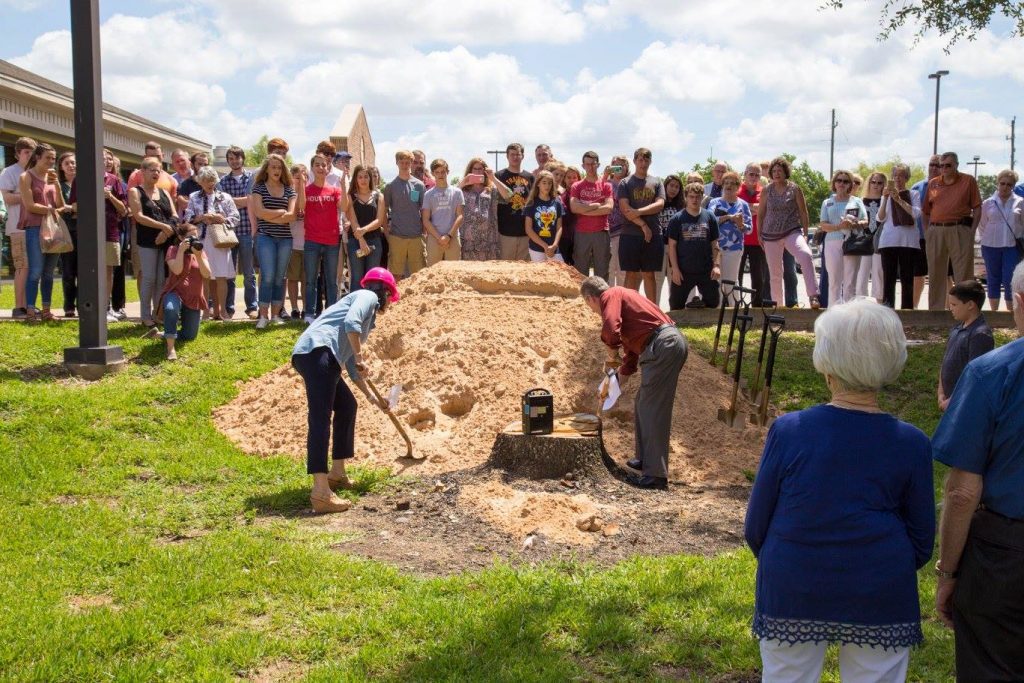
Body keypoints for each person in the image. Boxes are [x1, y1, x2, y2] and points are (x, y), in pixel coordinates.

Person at [745, 298, 935, 683]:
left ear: (827, 365)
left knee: (786, 677)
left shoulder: (790, 431)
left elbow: (756, 527)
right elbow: (922, 540)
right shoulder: (912, 442)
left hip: (794, 579)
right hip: (880, 582)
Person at [931, 262, 1024, 682]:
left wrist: (948, 572)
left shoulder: (991, 372)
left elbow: (962, 492)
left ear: (1018, 303)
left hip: (1005, 555)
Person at [291, 267, 398, 513]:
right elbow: (352, 325)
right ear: (384, 292)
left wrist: (373, 398)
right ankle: (320, 492)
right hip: (318, 352)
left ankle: (337, 473)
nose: (389, 304)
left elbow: (350, 365)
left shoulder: (366, 314)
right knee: (320, 419)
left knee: (348, 406)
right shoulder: (367, 296)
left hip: (322, 357)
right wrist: (361, 356)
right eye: (390, 298)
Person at [580, 276, 688, 490]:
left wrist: (611, 348)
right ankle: (644, 458)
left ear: (591, 298)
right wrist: (611, 388)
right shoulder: (628, 305)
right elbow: (630, 361)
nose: (593, 311)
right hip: (664, 344)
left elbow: (612, 328)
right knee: (643, 402)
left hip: (662, 345)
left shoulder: (611, 295)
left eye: (589, 306)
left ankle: (655, 475)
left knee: (652, 408)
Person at [70, 148, 129, 322]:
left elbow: (124, 210)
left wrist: (110, 196)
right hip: (88, 233)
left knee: (108, 270)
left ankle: (105, 308)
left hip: (110, 232)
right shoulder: (80, 179)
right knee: (87, 270)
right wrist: (92, 198)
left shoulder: (114, 180)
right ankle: (88, 308)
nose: (105, 161)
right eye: (101, 158)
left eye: (107, 158)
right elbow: (73, 206)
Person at [757, 156, 821, 308]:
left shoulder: (795, 188)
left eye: (780, 170)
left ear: (786, 172)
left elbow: (804, 212)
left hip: (791, 231)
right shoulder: (766, 190)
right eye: (774, 171)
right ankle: (778, 306)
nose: (777, 173)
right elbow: (760, 214)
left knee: (805, 255)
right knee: (775, 273)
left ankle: (813, 296)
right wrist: (759, 234)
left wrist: (805, 233)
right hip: (770, 234)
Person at [923, 152, 983, 310]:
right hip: (936, 230)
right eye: (941, 165)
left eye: (948, 165)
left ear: (956, 165)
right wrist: (927, 232)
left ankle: (964, 312)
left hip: (960, 229)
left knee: (963, 274)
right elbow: (925, 211)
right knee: (936, 274)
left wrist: (971, 232)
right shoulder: (933, 183)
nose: (943, 168)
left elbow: (977, 208)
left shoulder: (968, 181)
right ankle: (935, 313)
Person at [144, 224, 211, 360]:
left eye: (196, 237)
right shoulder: (173, 250)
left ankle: (159, 334)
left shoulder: (200, 252)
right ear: (181, 237)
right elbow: (177, 270)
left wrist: (198, 256)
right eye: (190, 237)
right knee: (170, 309)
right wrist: (181, 251)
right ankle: (170, 349)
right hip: (175, 292)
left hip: (193, 297)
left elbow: (207, 274)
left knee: (189, 336)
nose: (193, 240)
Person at [183, 165, 240, 321]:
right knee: (205, 276)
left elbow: (235, 218)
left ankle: (222, 311)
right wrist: (201, 218)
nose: (210, 183)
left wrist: (223, 219)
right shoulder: (194, 197)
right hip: (202, 240)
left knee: (221, 276)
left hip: (221, 240)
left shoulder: (225, 197)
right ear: (200, 182)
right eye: (207, 181)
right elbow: (187, 219)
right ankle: (206, 311)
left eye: (213, 180)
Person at [17, 143, 66, 321]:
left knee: (48, 273)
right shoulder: (26, 177)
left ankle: (46, 310)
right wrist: (51, 210)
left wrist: (58, 186)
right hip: (35, 228)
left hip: (53, 229)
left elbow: (60, 205)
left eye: (53, 158)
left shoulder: (52, 179)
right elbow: (30, 206)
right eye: (48, 158)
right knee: (36, 271)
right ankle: (31, 310)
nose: (51, 162)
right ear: (37, 157)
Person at [250, 154, 299, 328]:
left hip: (285, 239)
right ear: (267, 169)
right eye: (273, 167)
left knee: (280, 277)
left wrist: (270, 215)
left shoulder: (289, 190)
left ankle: (275, 315)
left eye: (279, 167)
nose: (276, 170)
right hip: (265, 237)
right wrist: (280, 212)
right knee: (268, 276)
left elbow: (292, 216)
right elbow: (258, 212)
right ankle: (263, 316)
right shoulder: (259, 188)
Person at [129, 157, 177, 327]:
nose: (156, 173)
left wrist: (166, 231)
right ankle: (145, 316)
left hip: (165, 241)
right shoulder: (135, 191)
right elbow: (139, 216)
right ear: (143, 172)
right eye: (152, 170)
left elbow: (174, 216)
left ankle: (158, 314)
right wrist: (163, 226)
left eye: (159, 170)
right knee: (148, 277)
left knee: (161, 279)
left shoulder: (164, 193)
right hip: (147, 241)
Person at [937, 280, 994, 412]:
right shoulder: (957, 328)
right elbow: (946, 360)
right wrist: (941, 391)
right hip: (949, 400)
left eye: (954, 304)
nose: (950, 308)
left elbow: (975, 375)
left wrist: (954, 400)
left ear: (970, 305)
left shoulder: (980, 335)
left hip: (966, 405)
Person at [617, 148, 665, 303]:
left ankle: (653, 311)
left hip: (653, 235)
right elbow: (625, 209)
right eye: (640, 160)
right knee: (631, 274)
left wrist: (638, 211)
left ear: (650, 161)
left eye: (646, 160)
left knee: (649, 274)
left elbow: (659, 204)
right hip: (630, 234)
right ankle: (629, 311)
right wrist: (643, 225)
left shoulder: (657, 182)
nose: (643, 163)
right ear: (634, 161)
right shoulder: (625, 183)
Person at [217, 145, 257, 319]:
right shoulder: (223, 181)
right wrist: (243, 201)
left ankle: (252, 307)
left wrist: (231, 201)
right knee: (229, 273)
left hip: (249, 230)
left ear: (243, 159)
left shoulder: (253, 178)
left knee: (249, 273)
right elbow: (220, 204)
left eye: (237, 158)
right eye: (231, 159)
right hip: (228, 232)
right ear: (228, 161)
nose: (234, 161)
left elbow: (254, 201)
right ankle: (229, 308)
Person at [667, 182, 721, 311]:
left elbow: (715, 244)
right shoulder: (677, 219)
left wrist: (717, 266)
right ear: (686, 197)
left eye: (697, 196)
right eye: (691, 196)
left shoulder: (710, 217)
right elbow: (672, 246)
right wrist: (675, 269)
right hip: (683, 271)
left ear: (702, 197)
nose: (694, 200)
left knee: (714, 302)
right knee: (675, 305)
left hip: (705, 270)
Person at [818, 170, 868, 306]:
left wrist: (855, 223)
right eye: (839, 180)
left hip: (852, 242)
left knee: (850, 282)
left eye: (845, 181)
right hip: (832, 243)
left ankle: (849, 316)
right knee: (834, 281)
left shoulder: (856, 201)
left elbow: (865, 221)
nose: (841, 183)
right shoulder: (827, 202)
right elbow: (823, 224)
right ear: (834, 183)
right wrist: (839, 226)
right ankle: (833, 315)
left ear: (850, 184)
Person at [976, 169, 1023, 310]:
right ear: (998, 184)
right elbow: (982, 224)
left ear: (1013, 186)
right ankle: (994, 312)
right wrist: (987, 239)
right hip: (990, 245)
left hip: (1012, 246)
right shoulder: (988, 203)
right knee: (993, 278)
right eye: (1002, 183)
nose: (1005, 187)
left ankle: (1010, 313)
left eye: (1009, 184)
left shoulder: (1020, 202)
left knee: (1010, 278)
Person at [876, 163, 922, 309]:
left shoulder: (913, 194)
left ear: (907, 178)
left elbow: (916, 213)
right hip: (889, 241)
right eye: (895, 175)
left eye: (901, 175)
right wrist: (885, 199)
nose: (898, 179)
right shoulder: (886, 195)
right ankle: (888, 311)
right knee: (888, 280)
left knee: (907, 279)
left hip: (908, 243)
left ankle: (907, 312)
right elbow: (880, 218)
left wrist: (899, 200)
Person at [1, 136, 36, 319]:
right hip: (17, 228)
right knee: (23, 267)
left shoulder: (36, 173)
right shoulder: (9, 172)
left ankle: (30, 305)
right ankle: (19, 307)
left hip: (36, 227)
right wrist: (28, 198)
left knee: (35, 268)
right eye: (26, 152)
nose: (29, 156)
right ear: (17, 154)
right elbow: (7, 198)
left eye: (32, 152)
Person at [382, 150, 426, 279]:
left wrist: (423, 231)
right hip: (396, 236)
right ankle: (398, 299)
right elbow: (383, 211)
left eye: (408, 162)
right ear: (397, 163)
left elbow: (423, 210)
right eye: (402, 162)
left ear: (412, 164)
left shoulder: (419, 186)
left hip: (416, 236)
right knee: (396, 274)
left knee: (418, 274)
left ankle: (417, 299)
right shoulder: (390, 186)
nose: (405, 165)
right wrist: (386, 232)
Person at [570, 151, 614, 279]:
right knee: (580, 271)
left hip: (601, 232)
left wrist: (583, 209)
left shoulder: (606, 185)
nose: (590, 167)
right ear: (583, 166)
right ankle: (580, 299)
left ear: (598, 165)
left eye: (593, 164)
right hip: (582, 232)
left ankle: (602, 299)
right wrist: (595, 206)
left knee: (602, 271)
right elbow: (574, 208)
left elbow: (608, 208)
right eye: (587, 164)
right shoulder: (576, 186)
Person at [345, 164, 386, 300]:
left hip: (374, 241)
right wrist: (361, 239)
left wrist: (364, 230)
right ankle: (354, 308)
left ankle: (371, 307)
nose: (363, 180)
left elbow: (379, 220)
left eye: (366, 176)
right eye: (360, 177)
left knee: (372, 276)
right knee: (357, 276)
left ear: (371, 178)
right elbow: (353, 220)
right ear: (356, 179)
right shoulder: (351, 196)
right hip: (355, 242)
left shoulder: (379, 196)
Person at [707, 171, 752, 290]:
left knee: (731, 282)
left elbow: (749, 230)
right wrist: (728, 217)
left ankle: (733, 308)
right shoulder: (714, 202)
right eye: (726, 182)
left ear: (738, 186)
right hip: (715, 247)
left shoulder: (743, 205)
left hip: (734, 248)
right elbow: (709, 222)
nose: (729, 185)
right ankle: (717, 308)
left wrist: (741, 225)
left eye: (732, 183)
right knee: (715, 282)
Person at [493, 143, 534, 261]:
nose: (515, 157)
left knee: (524, 269)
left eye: (518, 154)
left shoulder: (530, 177)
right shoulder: (499, 176)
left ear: (523, 156)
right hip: (505, 231)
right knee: (505, 268)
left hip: (525, 231)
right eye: (512, 154)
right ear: (507, 156)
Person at [422, 158, 464, 266]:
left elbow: (460, 216)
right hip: (434, 238)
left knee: (453, 272)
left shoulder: (457, 192)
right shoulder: (428, 194)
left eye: (443, 172)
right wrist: (439, 238)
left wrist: (448, 236)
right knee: (433, 272)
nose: (440, 175)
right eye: (437, 172)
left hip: (453, 237)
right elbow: (425, 219)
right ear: (433, 173)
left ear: (447, 172)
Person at [738, 163, 770, 306]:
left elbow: (766, 211)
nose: (754, 177)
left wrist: (746, 208)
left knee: (758, 278)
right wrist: (754, 208)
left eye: (757, 175)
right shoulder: (736, 191)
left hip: (758, 240)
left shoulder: (765, 192)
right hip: (739, 241)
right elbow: (737, 212)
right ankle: (734, 305)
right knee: (736, 276)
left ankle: (757, 307)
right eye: (751, 174)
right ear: (745, 174)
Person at [910, 157, 941, 307]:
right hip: (920, 237)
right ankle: (914, 307)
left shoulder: (946, 186)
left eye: (938, 165)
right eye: (931, 165)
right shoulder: (917, 187)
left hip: (940, 236)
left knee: (943, 274)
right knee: (918, 274)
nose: (934, 168)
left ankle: (944, 308)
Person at [458, 158, 500, 261]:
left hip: (488, 241)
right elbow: (450, 198)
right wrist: (463, 183)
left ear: (484, 171)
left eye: (480, 169)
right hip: (468, 242)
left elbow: (509, 195)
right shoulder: (462, 189)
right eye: (475, 169)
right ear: (470, 171)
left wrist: (493, 178)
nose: (477, 172)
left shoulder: (491, 189)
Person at [523, 170, 563, 263]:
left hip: (553, 248)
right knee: (539, 275)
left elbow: (559, 227)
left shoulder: (557, 202)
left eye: (549, 183)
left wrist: (555, 245)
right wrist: (545, 246)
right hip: (536, 248)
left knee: (560, 272)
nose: (547, 186)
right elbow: (528, 229)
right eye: (544, 182)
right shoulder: (531, 203)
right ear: (538, 184)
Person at [56, 152, 78, 318]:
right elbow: (61, 207)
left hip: (85, 232)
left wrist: (71, 208)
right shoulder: (59, 186)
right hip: (66, 232)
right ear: (61, 167)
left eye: (73, 162)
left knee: (84, 271)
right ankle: (69, 306)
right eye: (67, 163)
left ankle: (84, 303)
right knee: (68, 271)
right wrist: (72, 208)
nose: (71, 166)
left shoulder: (85, 184)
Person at [656, 175, 684, 304]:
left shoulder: (682, 205)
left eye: (677, 187)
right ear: (665, 185)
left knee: (674, 279)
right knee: (658, 279)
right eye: (671, 185)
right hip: (659, 245)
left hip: (675, 247)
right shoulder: (658, 202)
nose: (673, 189)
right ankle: (655, 309)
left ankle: (674, 309)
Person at [859, 171, 886, 300]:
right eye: (873, 182)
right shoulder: (860, 201)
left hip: (880, 240)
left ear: (884, 185)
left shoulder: (886, 200)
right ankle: (860, 304)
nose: (875, 185)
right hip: (863, 240)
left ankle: (879, 304)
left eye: (879, 183)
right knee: (861, 274)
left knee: (878, 274)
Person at [606, 156, 630, 286]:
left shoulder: (630, 184)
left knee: (622, 270)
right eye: (616, 165)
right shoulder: (605, 183)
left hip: (625, 231)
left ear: (627, 168)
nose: (619, 168)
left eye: (622, 165)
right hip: (607, 232)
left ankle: (621, 299)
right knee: (609, 268)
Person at [559, 165, 582, 266]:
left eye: (574, 177)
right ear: (564, 179)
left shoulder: (583, 194)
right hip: (563, 236)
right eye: (568, 177)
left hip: (579, 236)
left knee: (576, 267)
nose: (572, 180)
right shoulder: (560, 195)